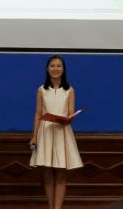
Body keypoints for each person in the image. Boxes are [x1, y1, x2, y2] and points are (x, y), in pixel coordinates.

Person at [29, 55, 82, 209]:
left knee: (61, 174)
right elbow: (38, 114)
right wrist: (34, 136)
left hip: (62, 133)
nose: (55, 69)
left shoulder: (69, 90)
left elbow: (70, 113)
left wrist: (68, 119)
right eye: (52, 66)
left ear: (63, 69)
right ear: (47, 69)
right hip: (45, 132)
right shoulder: (41, 90)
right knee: (47, 174)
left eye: (59, 66)